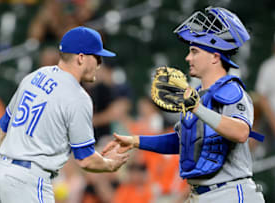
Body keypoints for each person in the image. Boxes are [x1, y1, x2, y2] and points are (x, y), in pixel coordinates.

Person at [103, 7, 265, 203]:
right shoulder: (197, 96)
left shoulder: (231, 90)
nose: (188, 58)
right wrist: (136, 141)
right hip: (202, 194)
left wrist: (197, 109)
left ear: (215, 56)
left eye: (194, 51)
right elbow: (183, 141)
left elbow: (241, 132)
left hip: (231, 193)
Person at [0, 26, 129, 203]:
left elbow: (4, 127)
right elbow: (86, 160)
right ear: (81, 58)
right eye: (97, 57)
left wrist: (9, 165)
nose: (100, 64)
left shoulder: (34, 76)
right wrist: (110, 164)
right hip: (27, 181)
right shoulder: (78, 96)